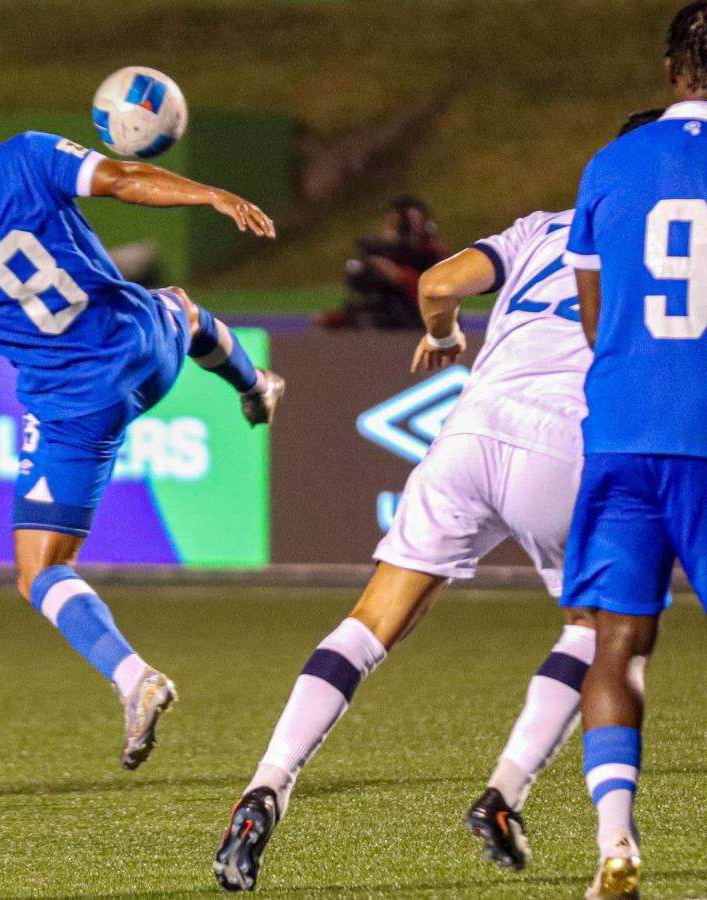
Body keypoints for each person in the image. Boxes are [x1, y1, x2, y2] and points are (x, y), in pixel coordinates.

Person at [212, 108, 665, 893]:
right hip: (568, 444)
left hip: (470, 432)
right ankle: (504, 793)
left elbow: (438, 283)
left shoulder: (542, 227)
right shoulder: (672, 236)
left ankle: (267, 783)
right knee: (597, 635)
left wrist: (449, 336)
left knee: (368, 623)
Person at [0, 75, 284, 770]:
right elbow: (126, 180)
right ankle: (254, 385)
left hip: (77, 406)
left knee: (39, 570)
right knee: (180, 307)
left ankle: (137, 680)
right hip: (147, 351)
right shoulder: (30, 154)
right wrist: (209, 193)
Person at [563, 4, 707, 897]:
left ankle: (616, 841)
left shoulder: (609, 163)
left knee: (616, 641)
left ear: (669, 71)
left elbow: (593, 314)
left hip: (619, 431)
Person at [324, 196, 448, 330]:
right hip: (391, 316)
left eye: (408, 224)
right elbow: (364, 287)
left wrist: (401, 275)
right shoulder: (384, 252)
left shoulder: (432, 252)